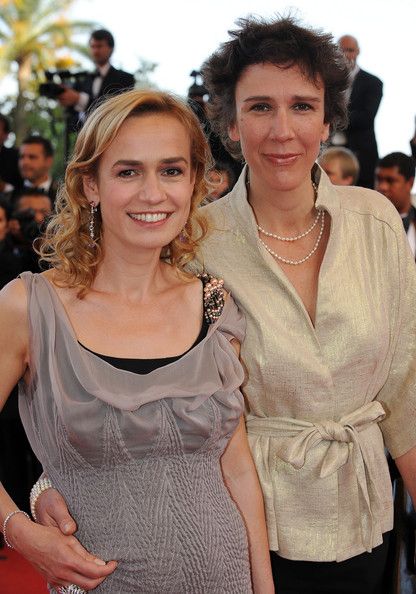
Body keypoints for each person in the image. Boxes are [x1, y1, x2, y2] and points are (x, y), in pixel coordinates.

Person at [34, 15, 416, 594]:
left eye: (302, 106)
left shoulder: (378, 224)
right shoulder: (190, 241)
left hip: (363, 521)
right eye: (260, 107)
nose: (282, 130)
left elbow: (405, 391)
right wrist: (49, 482)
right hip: (232, 530)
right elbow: (120, 372)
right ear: (231, 124)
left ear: (328, 120)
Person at [0, 89, 273, 594]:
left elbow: (235, 467)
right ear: (91, 185)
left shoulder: (215, 305)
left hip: (225, 575)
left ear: (192, 182)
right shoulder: (28, 306)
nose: (153, 193)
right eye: (128, 172)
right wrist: (21, 531)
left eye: (171, 170)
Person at [57, 29, 135, 127]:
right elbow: (74, 115)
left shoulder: (125, 78)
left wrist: (79, 98)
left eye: (99, 46)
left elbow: (115, 109)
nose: (95, 51)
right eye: (92, 46)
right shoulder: (84, 79)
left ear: (111, 48)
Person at [334, 35, 383, 189]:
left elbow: (366, 117)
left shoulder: (373, 83)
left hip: (361, 154)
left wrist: (335, 120)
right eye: (341, 50)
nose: (345, 55)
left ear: (358, 52)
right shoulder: (328, 82)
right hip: (330, 152)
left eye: (350, 50)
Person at [375, 152, 415, 258]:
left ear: (410, 183)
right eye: (379, 179)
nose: (382, 187)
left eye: (390, 181)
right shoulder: (366, 222)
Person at [15, 135, 58, 204]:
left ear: (48, 161)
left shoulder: (65, 195)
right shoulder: (10, 195)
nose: (25, 162)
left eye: (32, 157)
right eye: (21, 157)